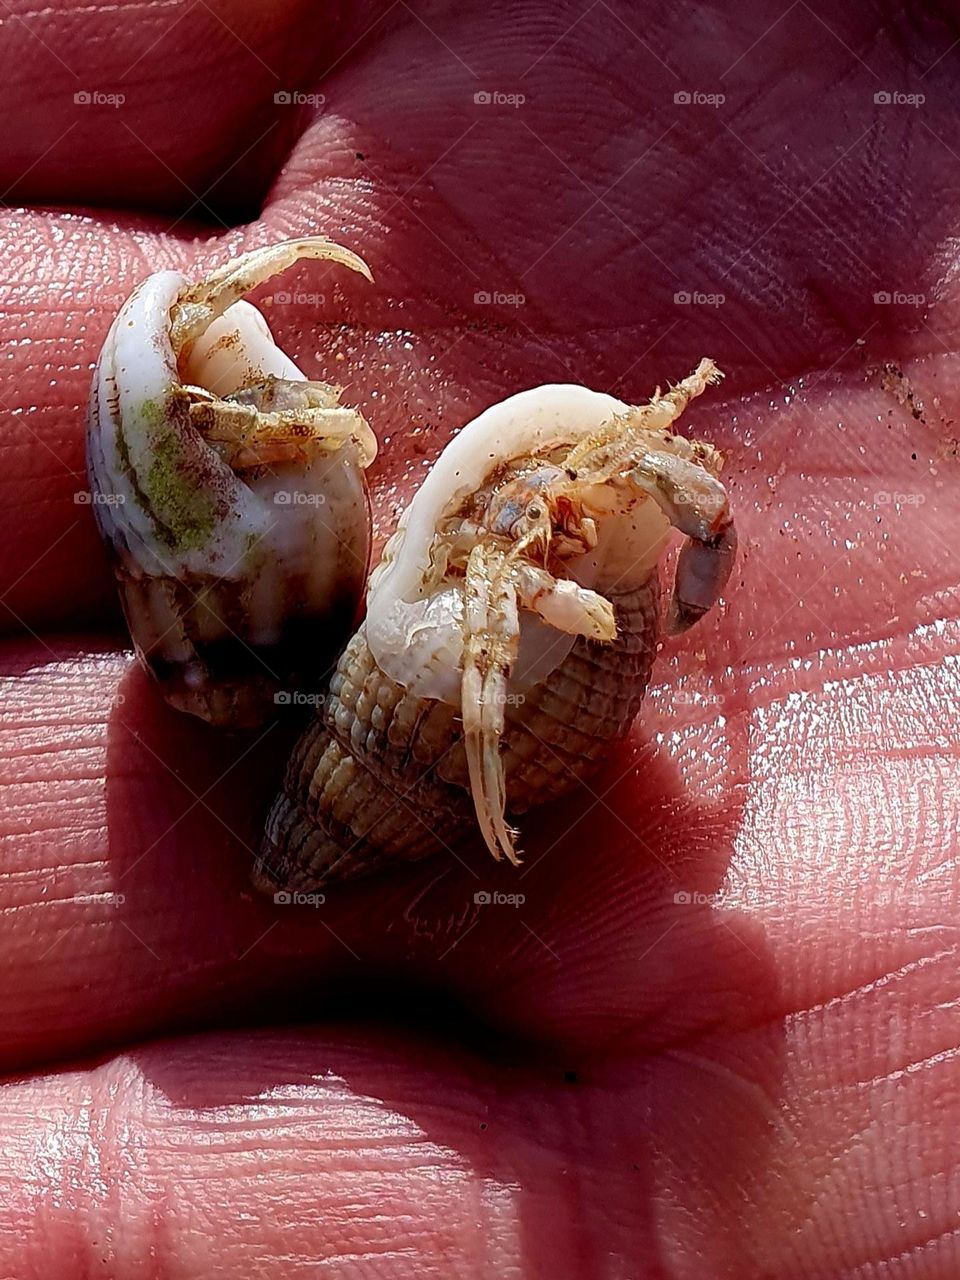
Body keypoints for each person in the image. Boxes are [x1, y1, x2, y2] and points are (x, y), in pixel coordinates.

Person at [0, 1, 953, 1274]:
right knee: (525, 603)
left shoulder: (569, 500)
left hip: (445, 633)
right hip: (456, 640)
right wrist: (493, 757)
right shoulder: (493, 544)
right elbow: (497, 583)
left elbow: (641, 487)